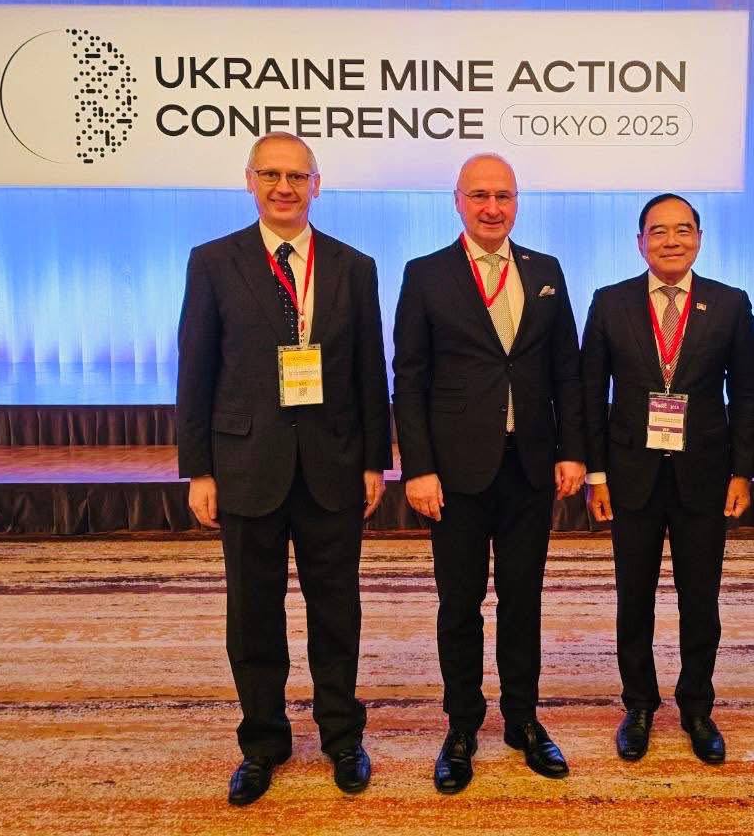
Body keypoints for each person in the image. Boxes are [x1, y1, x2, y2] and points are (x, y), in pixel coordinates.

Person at [177, 131, 392, 804]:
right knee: (253, 616)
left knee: (337, 611)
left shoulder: (355, 266)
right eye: (270, 174)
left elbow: (369, 371)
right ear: (249, 181)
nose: (284, 187)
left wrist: (375, 461)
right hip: (246, 466)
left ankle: (342, 737)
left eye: (297, 176)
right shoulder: (213, 262)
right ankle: (263, 742)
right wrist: (199, 469)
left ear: (316, 186)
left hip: (333, 465)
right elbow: (196, 369)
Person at [392, 153, 587, 794]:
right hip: (455, 472)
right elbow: (409, 379)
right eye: (479, 195)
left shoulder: (546, 270)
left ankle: (523, 719)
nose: (492, 207)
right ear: (458, 201)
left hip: (529, 466)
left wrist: (572, 450)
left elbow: (566, 371)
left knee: (523, 599)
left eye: (503, 195)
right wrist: (418, 467)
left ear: (517, 202)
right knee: (460, 603)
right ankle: (461, 726)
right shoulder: (425, 274)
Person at [580, 193, 754, 765]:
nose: (671, 241)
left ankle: (697, 706)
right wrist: (596, 474)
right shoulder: (609, 302)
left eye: (683, 230)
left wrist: (742, 471)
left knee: (700, 598)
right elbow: (590, 396)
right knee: (633, 597)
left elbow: (747, 394)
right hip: (630, 474)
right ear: (640, 242)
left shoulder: (729, 304)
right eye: (658, 231)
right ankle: (638, 704)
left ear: (699, 239)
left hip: (703, 475)